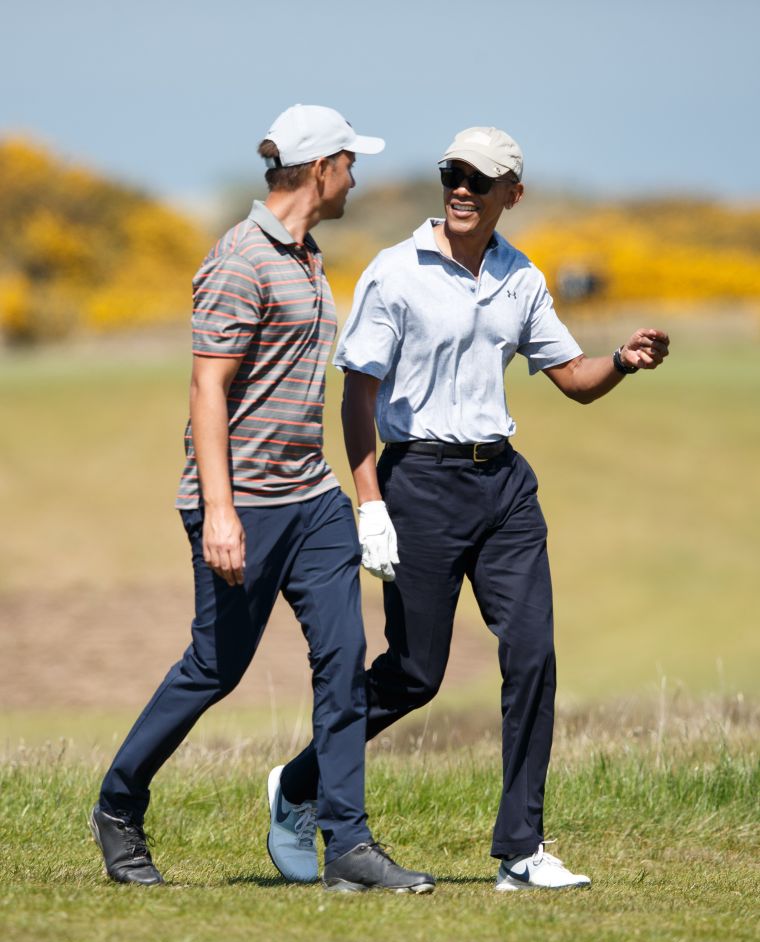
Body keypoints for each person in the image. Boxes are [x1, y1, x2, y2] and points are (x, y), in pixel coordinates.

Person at [274, 126, 670, 891]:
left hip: (504, 489)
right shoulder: (396, 272)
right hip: (419, 482)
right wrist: (371, 505)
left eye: (478, 179)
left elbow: (573, 376)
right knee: (415, 673)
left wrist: (621, 361)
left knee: (533, 655)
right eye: (452, 172)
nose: (461, 187)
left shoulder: (520, 277)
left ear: (510, 195)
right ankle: (298, 783)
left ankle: (521, 850)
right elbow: (357, 394)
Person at [89, 104, 434, 895]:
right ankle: (117, 804)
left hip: (310, 499)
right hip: (243, 502)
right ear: (321, 170)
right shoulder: (239, 259)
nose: (357, 175)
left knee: (344, 662)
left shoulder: (307, 255)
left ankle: (347, 843)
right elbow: (207, 388)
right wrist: (219, 510)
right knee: (216, 665)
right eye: (350, 161)